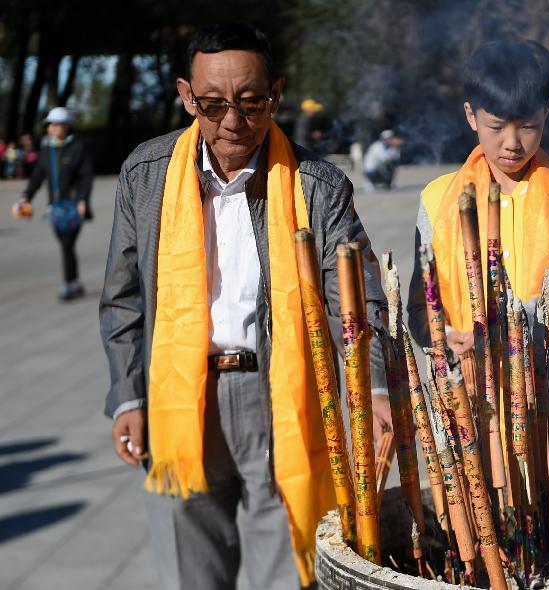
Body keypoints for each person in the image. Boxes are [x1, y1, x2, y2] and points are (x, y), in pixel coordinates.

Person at [99, 24, 390, 590]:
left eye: (251, 102)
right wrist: (127, 395)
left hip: (284, 399)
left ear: (275, 93)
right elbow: (123, 296)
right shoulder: (146, 175)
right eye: (211, 104)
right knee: (190, 571)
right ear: (186, 96)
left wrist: (371, 389)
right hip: (179, 399)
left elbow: (356, 300)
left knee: (286, 568)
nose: (232, 121)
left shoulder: (317, 185)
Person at [407, 40, 549, 361]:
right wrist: (443, 335)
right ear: (471, 115)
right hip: (469, 391)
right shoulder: (438, 198)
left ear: (546, 114)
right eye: (496, 127)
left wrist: (509, 325)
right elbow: (421, 303)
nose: (512, 143)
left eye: (529, 127)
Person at [14, 107, 93, 300]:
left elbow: (86, 176)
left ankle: (69, 283)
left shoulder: (77, 148)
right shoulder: (46, 149)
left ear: (67, 126)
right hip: (55, 209)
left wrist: (82, 199)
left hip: (74, 207)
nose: (52, 128)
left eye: (57, 124)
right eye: (50, 124)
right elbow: (37, 177)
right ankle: (74, 281)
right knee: (66, 245)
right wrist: (26, 196)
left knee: (67, 243)